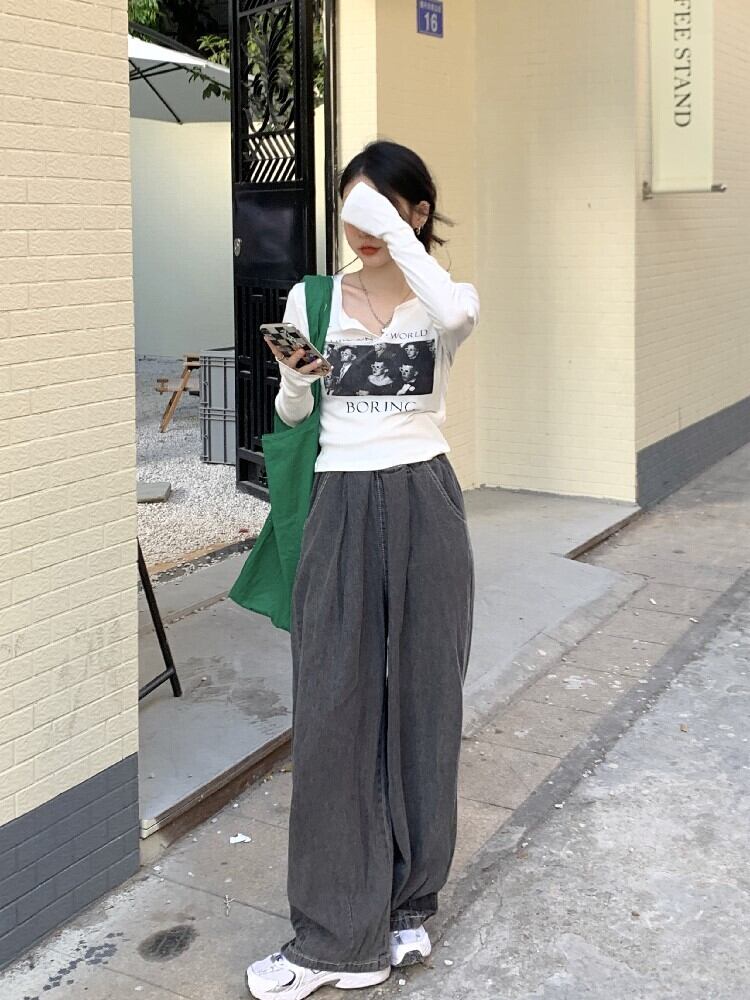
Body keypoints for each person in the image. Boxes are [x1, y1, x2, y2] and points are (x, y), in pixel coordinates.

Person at [248, 139, 480, 1000]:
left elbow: (450, 309)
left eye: (380, 206)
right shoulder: (312, 299)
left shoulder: (447, 298)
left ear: (416, 211)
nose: (361, 226)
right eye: (352, 208)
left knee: (427, 700)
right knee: (334, 708)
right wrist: (294, 382)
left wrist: (396, 232)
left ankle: (409, 904)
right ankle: (335, 939)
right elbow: (295, 413)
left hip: (426, 498)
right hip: (340, 501)